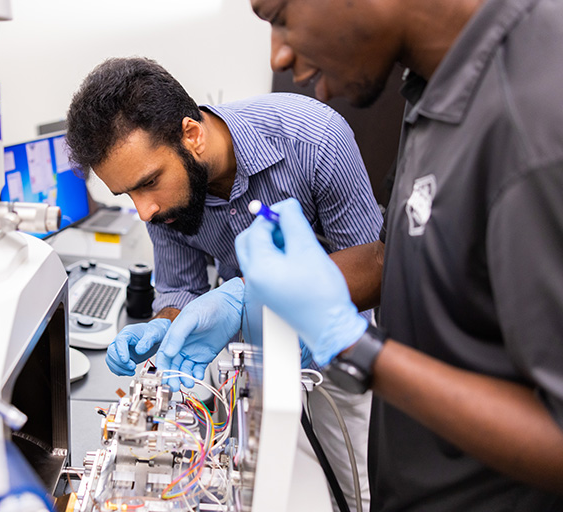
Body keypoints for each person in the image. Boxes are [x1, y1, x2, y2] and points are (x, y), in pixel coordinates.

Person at [235, 0, 563, 510]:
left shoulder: (538, 115)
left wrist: (355, 345)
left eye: (279, 15)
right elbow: (401, 255)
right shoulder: (434, 84)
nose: (278, 55)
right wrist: (246, 300)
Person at [65, 56, 383, 511]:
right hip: (248, 364)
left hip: (337, 348)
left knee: (358, 491)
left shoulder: (313, 137)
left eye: (148, 184)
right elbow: (179, 290)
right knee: (276, 491)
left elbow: (374, 264)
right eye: (128, 195)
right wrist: (166, 326)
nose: (144, 211)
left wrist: (259, 301)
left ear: (191, 134)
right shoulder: (164, 200)